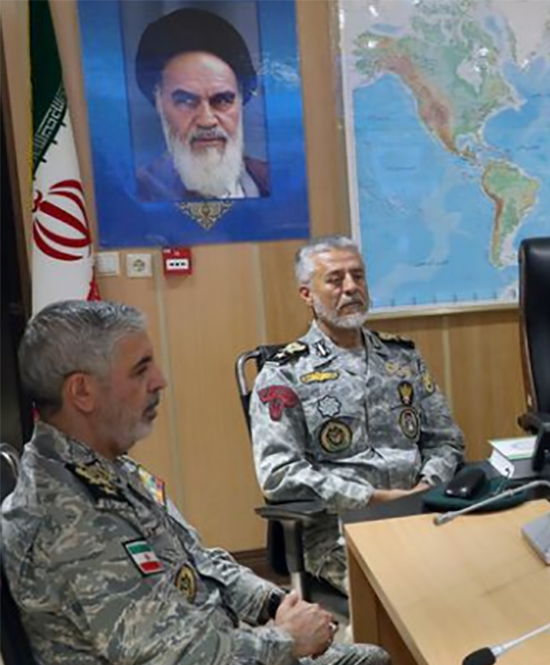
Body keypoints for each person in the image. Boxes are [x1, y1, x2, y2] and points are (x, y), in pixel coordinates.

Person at [2, 300, 387, 665]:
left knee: (371, 662)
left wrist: (272, 602)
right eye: (140, 369)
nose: (159, 381)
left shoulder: (104, 466)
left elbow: (196, 560)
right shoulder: (70, 517)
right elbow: (177, 660)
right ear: (82, 391)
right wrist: (287, 639)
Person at [251, 237, 464, 593]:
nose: (351, 288)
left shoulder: (402, 358)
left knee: (488, 568)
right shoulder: (284, 373)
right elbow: (278, 473)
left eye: (358, 276)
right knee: (412, 589)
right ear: (307, 294)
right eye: (335, 280)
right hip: (339, 531)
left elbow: (446, 440)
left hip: (424, 511)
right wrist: (369, 498)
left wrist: (427, 485)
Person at [133, 7, 270, 200]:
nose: (207, 120)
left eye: (222, 100)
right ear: (159, 103)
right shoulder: (135, 193)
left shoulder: (272, 182)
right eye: (186, 101)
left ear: (241, 100)